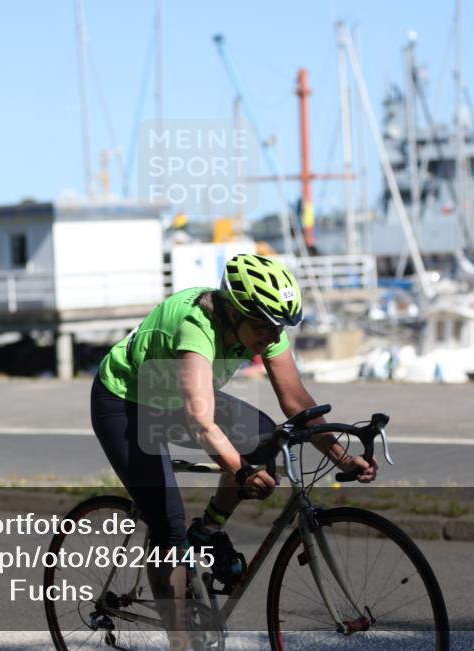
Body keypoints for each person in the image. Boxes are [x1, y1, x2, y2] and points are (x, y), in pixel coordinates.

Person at [90, 253, 378, 650]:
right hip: (126, 403)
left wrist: (342, 457)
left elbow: (295, 401)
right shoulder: (197, 327)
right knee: (168, 525)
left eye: (279, 327)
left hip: (175, 396)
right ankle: (180, 643)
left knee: (265, 438)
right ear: (233, 312)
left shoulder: (265, 328)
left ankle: (208, 530)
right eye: (264, 327)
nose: (273, 337)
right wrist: (240, 471)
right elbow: (200, 419)